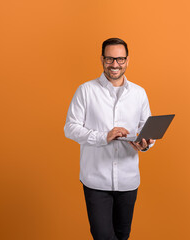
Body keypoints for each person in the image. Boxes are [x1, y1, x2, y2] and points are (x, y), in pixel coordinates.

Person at [64, 38, 154, 240]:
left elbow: (145, 130)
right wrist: (103, 136)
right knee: (103, 235)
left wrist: (145, 143)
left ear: (127, 60)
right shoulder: (85, 91)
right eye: (110, 59)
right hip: (96, 180)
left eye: (120, 59)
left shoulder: (139, 94)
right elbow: (70, 128)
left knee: (123, 235)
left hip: (128, 180)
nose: (115, 64)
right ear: (102, 59)